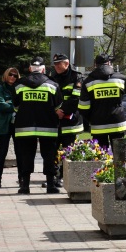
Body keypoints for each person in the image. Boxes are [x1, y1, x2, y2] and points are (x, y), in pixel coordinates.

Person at [12, 56, 62, 194]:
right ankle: (51, 185)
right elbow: (58, 106)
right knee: (49, 155)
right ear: (44, 69)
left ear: (30, 69)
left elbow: (15, 106)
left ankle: (25, 186)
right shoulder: (52, 85)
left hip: (25, 127)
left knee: (26, 155)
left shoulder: (19, 84)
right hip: (48, 127)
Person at [78, 53, 126, 152]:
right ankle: (119, 168)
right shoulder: (120, 78)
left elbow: (83, 107)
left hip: (98, 124)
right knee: (119, 156)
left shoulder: (88, 82)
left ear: (95, 65)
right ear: (109, 63)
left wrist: (91, 118)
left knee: (101, 158)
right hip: (117, 123)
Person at [49, 52, 83, 188]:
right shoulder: (52, 77)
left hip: (70, 120)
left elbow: (76, 97)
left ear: (67, 64)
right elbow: (49, 96)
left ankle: (63, 177)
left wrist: (63, 111)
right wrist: (56, 111)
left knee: (68, 149)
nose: (56, 66)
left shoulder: (77, 77)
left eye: (59, 64)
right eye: (55, 64)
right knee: (53, 150)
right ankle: (53, 176)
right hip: (56, 120)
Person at [0, 67, 19, 189]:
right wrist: (14, 106)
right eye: (11, 75)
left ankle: (22, 179)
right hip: (4, 124)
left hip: (18, 123)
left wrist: (9, 104)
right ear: (6, 75)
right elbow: (0, 106)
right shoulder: (0, 89)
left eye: (15, 75)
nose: (13, 77)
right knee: (2, 152)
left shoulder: (19, 88)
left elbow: (23, 104)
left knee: (20, 153)